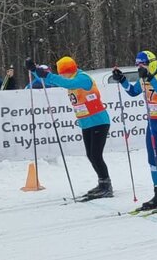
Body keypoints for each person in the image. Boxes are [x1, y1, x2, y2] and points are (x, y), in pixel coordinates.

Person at [27, 56, 114, 199]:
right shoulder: (69, 78)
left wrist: (49, 74)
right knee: (91, 155)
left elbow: (67, 83)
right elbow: (49, 80)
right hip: (86, 123)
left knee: (96, 155)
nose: (61, 76)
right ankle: (102, 182)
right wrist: (34, 70)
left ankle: (107, 185)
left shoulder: (82, 78)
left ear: (69, 70)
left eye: (63, 73)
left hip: (99, 121)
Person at [114, 50, 157, 212]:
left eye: (143, 64)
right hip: (153, 123)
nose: (140, 67)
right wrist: (122, 80)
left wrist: (151, 78)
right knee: (153, 160)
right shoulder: (143, 77)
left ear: (152, 63)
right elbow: (133, 92)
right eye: (138, 64)